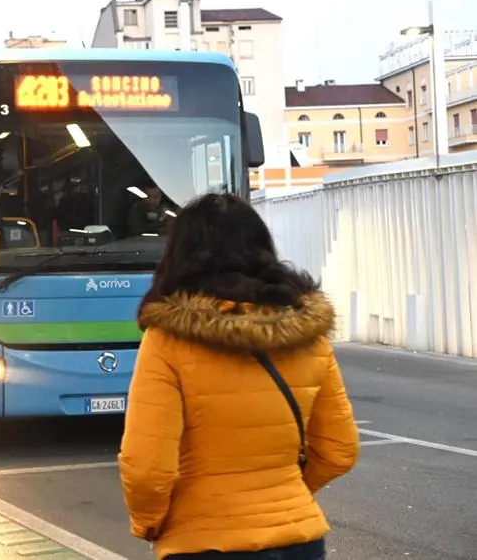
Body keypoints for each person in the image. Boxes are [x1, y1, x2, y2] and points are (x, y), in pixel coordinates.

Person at [119, 193, 359, 560]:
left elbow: (148, 468)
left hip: (204, 543)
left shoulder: (168, 339)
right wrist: (283, 497)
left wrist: (149, 523)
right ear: (263, 247)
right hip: (299, 542)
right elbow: (339, 450)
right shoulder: (308, 335)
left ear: (179, 255)